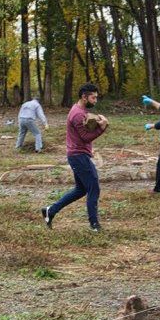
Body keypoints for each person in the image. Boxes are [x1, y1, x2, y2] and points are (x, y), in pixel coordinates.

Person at [41, 83, 108, 232]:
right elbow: (85, 137)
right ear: (84, 97)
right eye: (93, 97)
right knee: (94, 187)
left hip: (77, 155)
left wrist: (97, 123)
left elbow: (84, 133)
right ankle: (94, 225)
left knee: (81, 189)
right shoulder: (78, 114)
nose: (95, 100)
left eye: (96, 97)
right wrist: (102, 128)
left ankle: (50, 211)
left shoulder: (80, 110)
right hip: (78, 156)